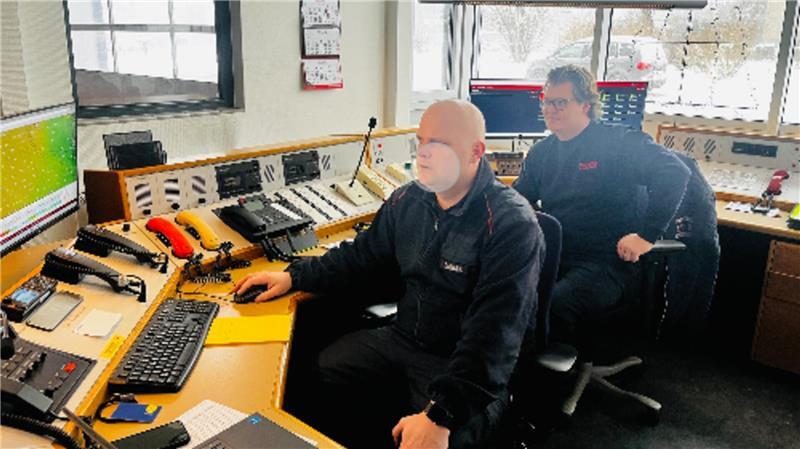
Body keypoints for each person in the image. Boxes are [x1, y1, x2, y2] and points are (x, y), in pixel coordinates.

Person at [234, 100, 544, 449]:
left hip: (464, 367)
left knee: (444, 440)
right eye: (421, 141)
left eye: (439, 144)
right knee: (321, 370)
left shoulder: (511, 224)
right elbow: (360, 256)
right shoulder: (408, 200)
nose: (424, 153)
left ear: (475, 152)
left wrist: (442, 415)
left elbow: (495, 336)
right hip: (405, 337)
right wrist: (294, 277)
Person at [512, 65, 690, 348]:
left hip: (607, 263)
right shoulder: (542, 153)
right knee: (504, 288)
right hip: (556, 254)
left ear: (585, 105)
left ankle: (553, 383)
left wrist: (646, 236)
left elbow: (675, 173)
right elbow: (518, 198)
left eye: (561, 102)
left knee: (557, 303)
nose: (551, 109)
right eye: (547, 101)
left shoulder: (617, 142)